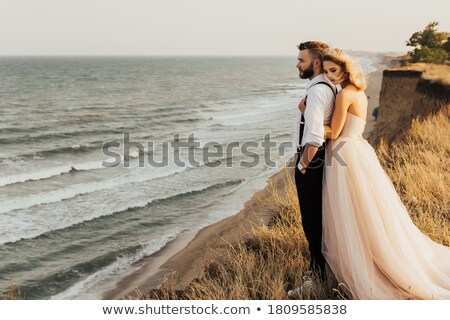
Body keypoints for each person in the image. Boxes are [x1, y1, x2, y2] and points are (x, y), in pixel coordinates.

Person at [314, 48, 450, 299]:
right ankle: (376, 259)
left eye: (333, 70)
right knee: (367, 212)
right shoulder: (360, 93)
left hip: (344, 153)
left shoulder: (344, 94)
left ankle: (364, 266)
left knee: (349, 214)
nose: (329, 75)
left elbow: (333, 132)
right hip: (358, 151)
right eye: (326, 71)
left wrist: (308, 117)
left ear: (345, 69)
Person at [292, 41, 337, 284]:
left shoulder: (318, 90)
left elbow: (315, 136)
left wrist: (302, 166)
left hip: (312, 161)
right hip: (318, 160)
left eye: (302, 60)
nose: (297, 64)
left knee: (311, 220)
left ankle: (319, 275)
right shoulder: (325, 87)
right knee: (317, 218)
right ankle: (319, 268)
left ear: (316, 63)